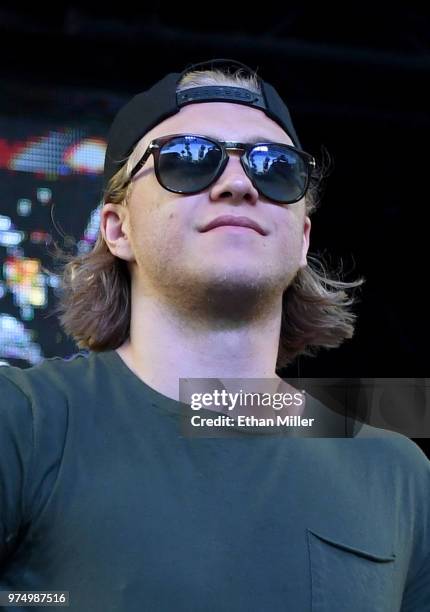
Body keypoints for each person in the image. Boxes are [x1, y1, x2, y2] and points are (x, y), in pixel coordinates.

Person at [0, 58, 428, 611]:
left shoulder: (396, 472)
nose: (237, 184)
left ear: (301, 239)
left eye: (274, 167)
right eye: (187, 159)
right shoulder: (23, 421)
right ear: (117, 228)